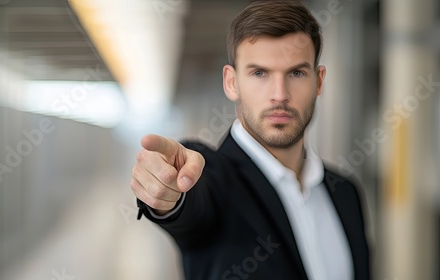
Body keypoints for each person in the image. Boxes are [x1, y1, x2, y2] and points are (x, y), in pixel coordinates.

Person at [131, 1, 371, 279]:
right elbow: (193, 204)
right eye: (260, 73)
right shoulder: (214, 181)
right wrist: (173, 194)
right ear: (232, 82)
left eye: (296, 73)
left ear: (318, 81)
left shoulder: (346, 193)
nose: (279, 95)